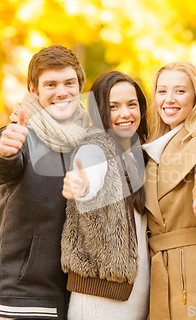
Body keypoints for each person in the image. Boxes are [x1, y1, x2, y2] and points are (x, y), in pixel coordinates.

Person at [0, 45, 89, 320]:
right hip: (23, 294)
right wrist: (2, 152)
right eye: (50, 84)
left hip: (75, 294)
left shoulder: (87, 136)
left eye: (69, 83)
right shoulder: (20, 135)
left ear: (80, 86)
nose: (61, 91)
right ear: (34, 90)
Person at [142, 61, 196, 319]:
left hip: (194, 273)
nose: (169, 99)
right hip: (156, 274)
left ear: (195, 97)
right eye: (162, 91)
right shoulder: (150, 147)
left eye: (180, 91)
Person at [60, 71, 150, 320]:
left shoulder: (137, 152)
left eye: (132, 104)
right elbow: (89, 170)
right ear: (99, 110)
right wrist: (81, 185)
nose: (125, 113)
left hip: (135, 298)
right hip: (99, 303)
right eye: (114, 106)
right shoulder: (95, 146)